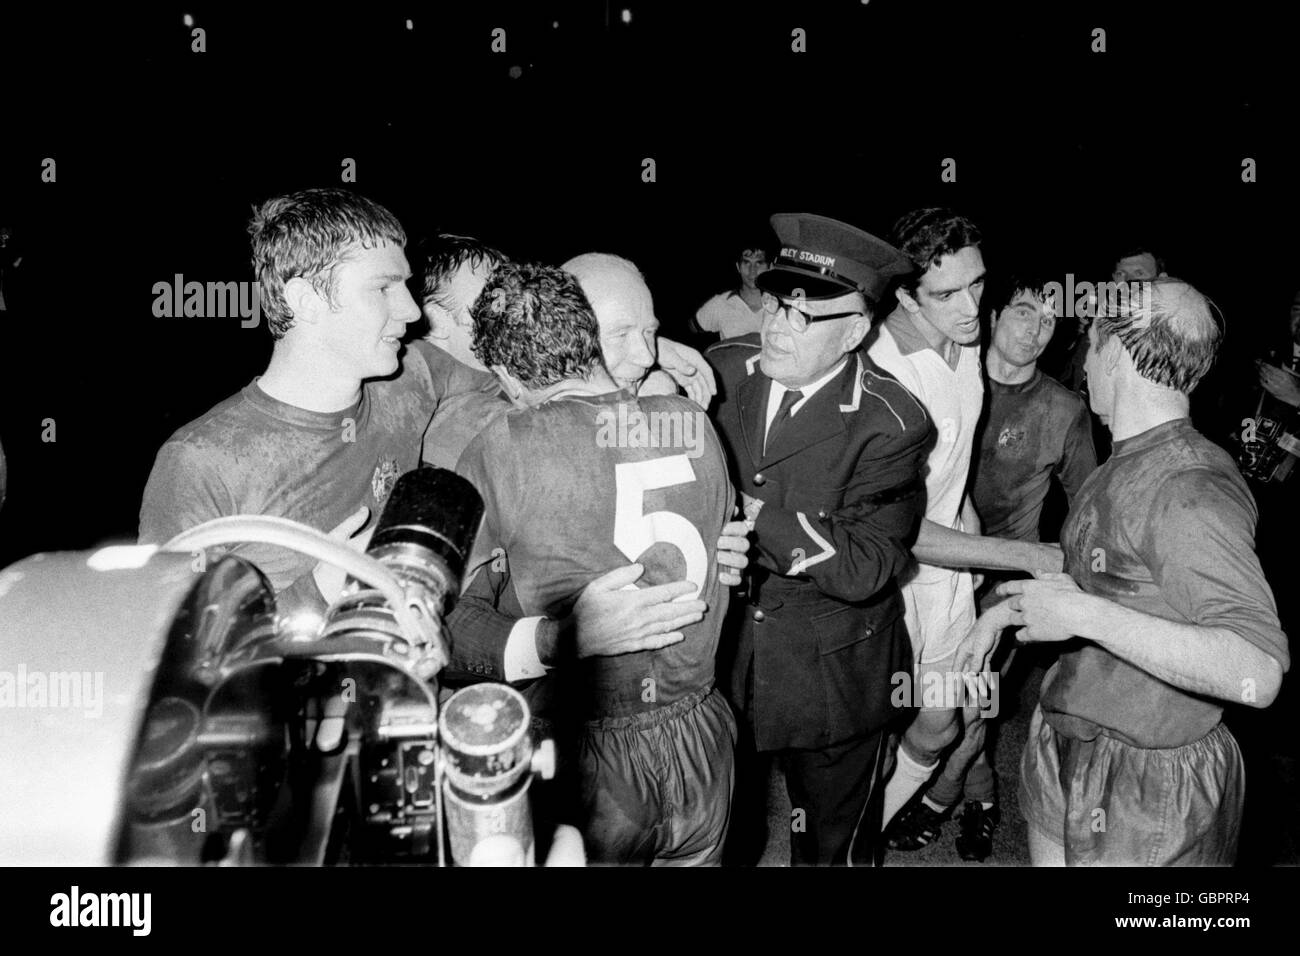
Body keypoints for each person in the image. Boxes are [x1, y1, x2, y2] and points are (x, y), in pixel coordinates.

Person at [997, 277, 1288, 866]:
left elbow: (1258, 670)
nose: (1082, 360)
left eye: (1090, 341)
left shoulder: (1189, 489)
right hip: (1073, 728)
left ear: (1117, 351)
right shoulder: (1126, 457)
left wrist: (1084, 614)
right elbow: (1114, 576)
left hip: (1151, 779)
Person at [457, 261, 736, 864]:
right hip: (704, 735)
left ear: (504, 371)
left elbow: (444, 625)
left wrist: (554, 636)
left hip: (590, 753)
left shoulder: (503, 444)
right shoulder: (693, 421)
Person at [708, 213, 931, 865]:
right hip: (727, 657)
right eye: (778, 303)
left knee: (829, 848)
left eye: (804, 315)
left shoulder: (890, 422)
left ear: (855, 331)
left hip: (834, 672)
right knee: (718, 831)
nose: (777, 325)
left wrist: (746, 516)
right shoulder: (722, 374)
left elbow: (866, 564)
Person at [866, 208, 1063, 843]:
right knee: (870, 728)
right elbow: (904, 529)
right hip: (889, 580)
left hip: (951, 574)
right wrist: (1025, 557)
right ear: (905, 295)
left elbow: (952, 472)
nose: (970, 306)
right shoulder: (884, 371)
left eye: (978, 284)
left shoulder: (970, 340)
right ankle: (852, 835)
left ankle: (876, 819)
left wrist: (976, 564)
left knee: (942, 721)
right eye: (946, 294)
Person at [886, 271, 1097, 861]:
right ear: (996, 313)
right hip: (927, 561)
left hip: (1003, 580)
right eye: (1026, 312)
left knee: (970, 702)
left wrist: (1062, 577)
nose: (1036, 330)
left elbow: (1088, 505)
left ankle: (948, 796)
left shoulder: (1064, 408)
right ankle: (975, 788)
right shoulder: (950, 375)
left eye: (1049, 321)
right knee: (922, 701)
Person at [693, 240, 770, 340]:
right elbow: (687, 332)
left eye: (759, 263)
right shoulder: (720, 304)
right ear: (738, 267)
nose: (752, 270)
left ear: (769, 267)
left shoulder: (782, 307)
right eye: (746, 262)